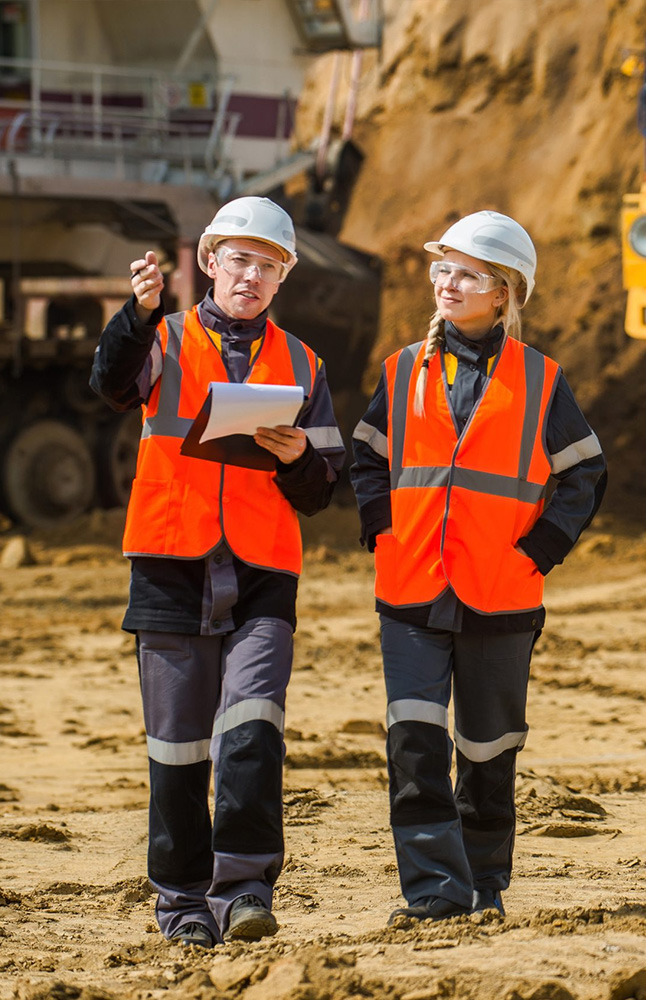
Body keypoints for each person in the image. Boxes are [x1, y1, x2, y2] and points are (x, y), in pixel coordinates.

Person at [90, 196, 345, 948]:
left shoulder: (304, 364)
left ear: (283, 278)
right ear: (209, 262)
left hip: (263, 571)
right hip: (171, 562)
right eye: (239, 260)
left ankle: (244, 891)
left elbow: (322, 490)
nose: (252, 276)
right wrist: (136, 315)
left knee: (253, 731)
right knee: (177, 749)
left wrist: (299, 458)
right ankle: (181, 904)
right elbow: (110, 384)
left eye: (269, 266)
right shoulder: (162, 338)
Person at [350, 210, 606, 922]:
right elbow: (367, 455)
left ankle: (485, 885)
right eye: (443, 269)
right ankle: (435, 891)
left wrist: (540, 551)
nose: (448, 283)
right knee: (414, 743)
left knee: (489, 750)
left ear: (504, 293)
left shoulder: (541, 380)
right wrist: (383, 528)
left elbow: (585, 473)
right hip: (411, 587)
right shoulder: (402, 369)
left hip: (501, 593)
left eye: (467, 274)